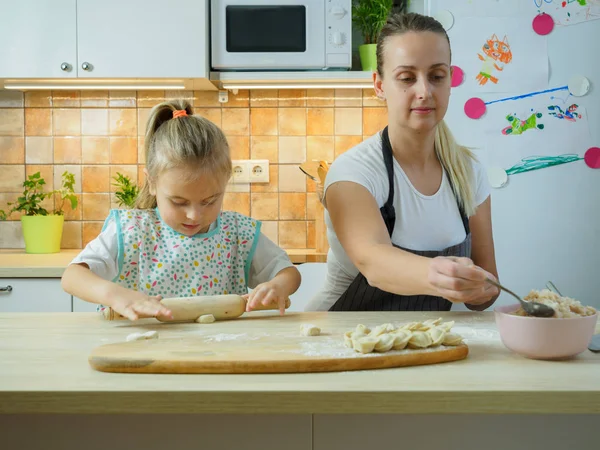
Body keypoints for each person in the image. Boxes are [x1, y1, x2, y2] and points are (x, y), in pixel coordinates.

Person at [306, 12, 500, 312]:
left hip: (429, 342)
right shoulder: (354, 172)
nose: (424, 91)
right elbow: (374, 262)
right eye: (407, 78)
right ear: (379, 85)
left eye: (437, 76)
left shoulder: (469, 173)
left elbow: (488, 290)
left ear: (450, 80)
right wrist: (440, 275)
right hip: (341, 339)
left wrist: (478, 288)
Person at [62, 100, 300, 320]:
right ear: (152, 183)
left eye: (209, 201)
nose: (194, 215)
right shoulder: (132, 231)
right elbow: (72, 277)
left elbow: (288, 272)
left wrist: (277, 286)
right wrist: (114, 295)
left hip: (218, 353)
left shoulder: (237, 233)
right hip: (139, 351)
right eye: (179, 202)